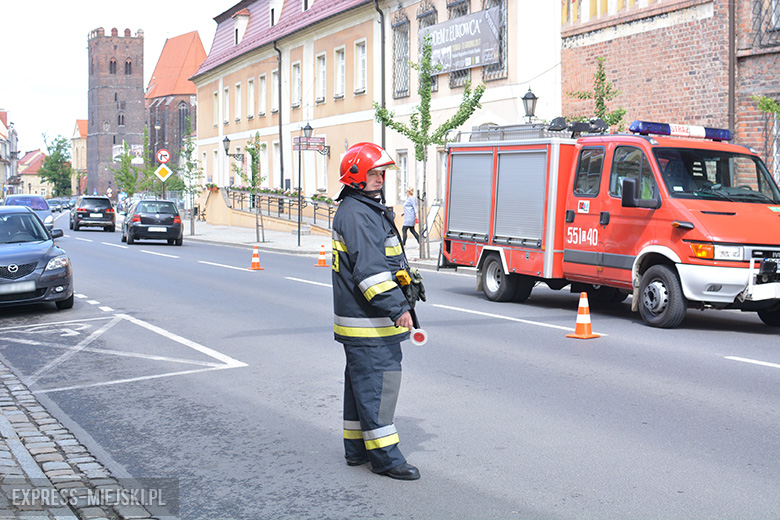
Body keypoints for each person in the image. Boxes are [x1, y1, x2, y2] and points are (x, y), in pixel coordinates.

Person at [331, 142, 420, 481]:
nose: (380, 178)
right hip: (370, 322)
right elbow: (370, 273)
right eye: (373, 173)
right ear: (355, 176)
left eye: (382, 172)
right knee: (380, 386)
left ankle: (357, 451)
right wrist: (398, 307)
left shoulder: (359, 209)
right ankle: (385, 458)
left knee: (360, 386)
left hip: (359, 320)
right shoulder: (360, 214)